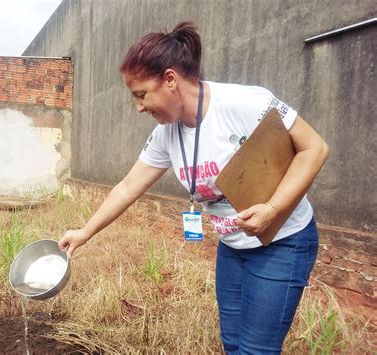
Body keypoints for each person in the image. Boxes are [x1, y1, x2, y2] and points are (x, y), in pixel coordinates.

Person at [58, 21, 329, 354]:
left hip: (283, 241)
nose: (139, 107)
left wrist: (273, 210)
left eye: (141, 94)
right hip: (233, 247)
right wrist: (85, 232)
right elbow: (128, 186)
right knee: (232, 344)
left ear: (170, 79)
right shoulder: (166, 135)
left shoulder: (243, 103)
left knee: (256, 350)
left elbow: (314, 148)